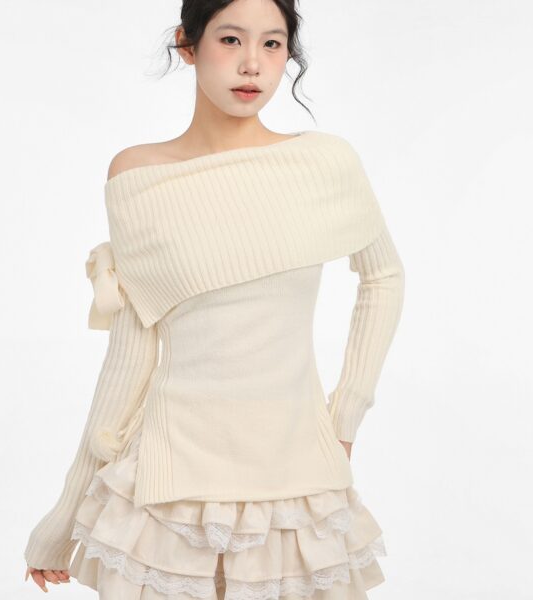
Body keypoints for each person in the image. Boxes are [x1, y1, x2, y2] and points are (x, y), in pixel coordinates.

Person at [23, 0, 405, 598]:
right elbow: (131, 351)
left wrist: (345, 417)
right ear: (188, 43)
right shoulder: (139, 175)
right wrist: (63, 517)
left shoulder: (323, 162)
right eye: (230, 40)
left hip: (295, 480)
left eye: (272, 44)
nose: (252, 64)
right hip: (167, 487)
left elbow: (382, 275)